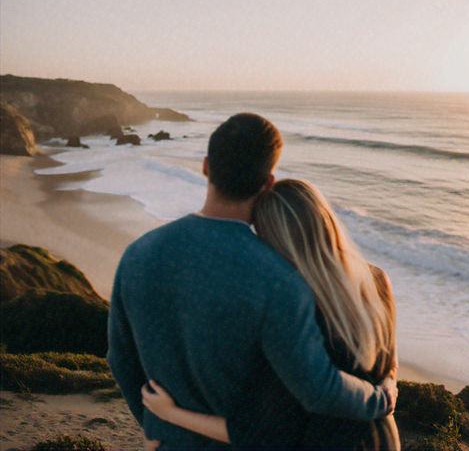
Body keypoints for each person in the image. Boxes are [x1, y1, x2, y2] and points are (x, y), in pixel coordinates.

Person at [108, 114, 396, 451]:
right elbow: (317, 389)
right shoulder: (279, 279)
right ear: (268, 183)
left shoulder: (137, 255)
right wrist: (381, 398)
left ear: (205, 167)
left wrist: (156, 426)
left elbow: (121, 360)